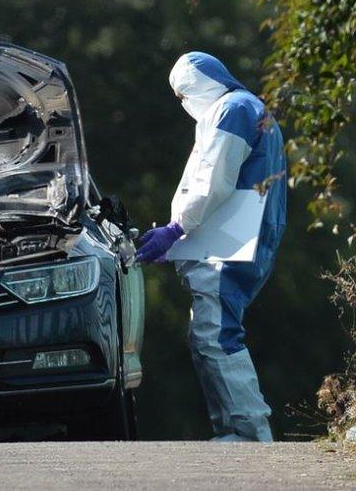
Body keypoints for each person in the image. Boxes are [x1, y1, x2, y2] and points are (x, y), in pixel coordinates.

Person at [135, 51, 286, 442]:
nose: (183, 104)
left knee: (216, 335)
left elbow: (212, 180)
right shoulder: (249, 107)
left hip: (231, 246)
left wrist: (176, 228)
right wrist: (179, 241)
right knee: (213, 333)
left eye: (182, 95)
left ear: (193, 89)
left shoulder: (231, 110)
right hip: (241, 239)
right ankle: (234, 431)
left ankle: (247, 433)